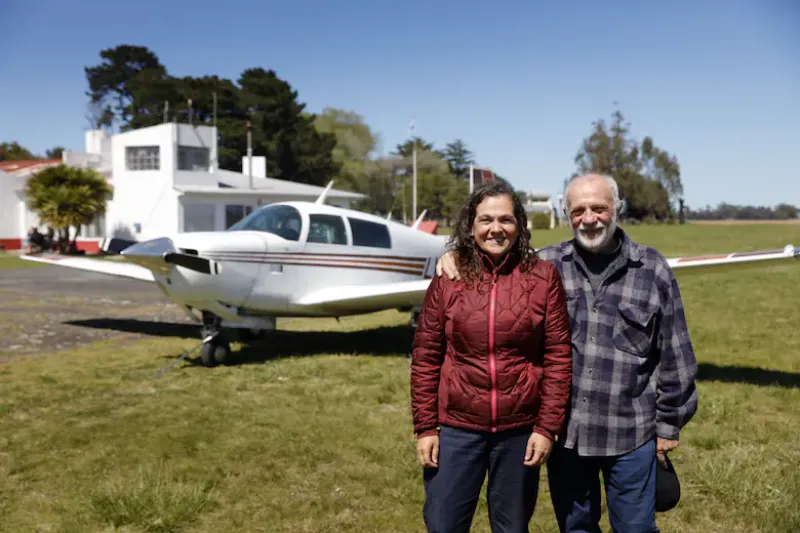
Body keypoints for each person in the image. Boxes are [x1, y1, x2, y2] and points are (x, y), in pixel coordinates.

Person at [437, 173, 699, 533]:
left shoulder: (652, 269)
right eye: (578, 210)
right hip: (566, 435)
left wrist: (669, 424)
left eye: (599, 208)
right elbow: (491, 256)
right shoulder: (543, 267)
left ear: (617, 209)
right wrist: (452, 256)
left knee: (636, 528)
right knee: (576, 527)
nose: (589, 218)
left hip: (631, 433)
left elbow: (676, 354)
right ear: (566, 213)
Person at [410, 181, 573, 533]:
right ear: (471, 225)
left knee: (512, 528)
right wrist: (425, 427)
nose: (495, 229)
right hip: (456, 429)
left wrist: (546, 427)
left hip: (519, 432)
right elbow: (426, 356)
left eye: (505, 219)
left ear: (520, 225)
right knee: (443, 525)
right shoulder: (449, 277)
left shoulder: (543, 278)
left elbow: (558, 357)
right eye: (485, 220)